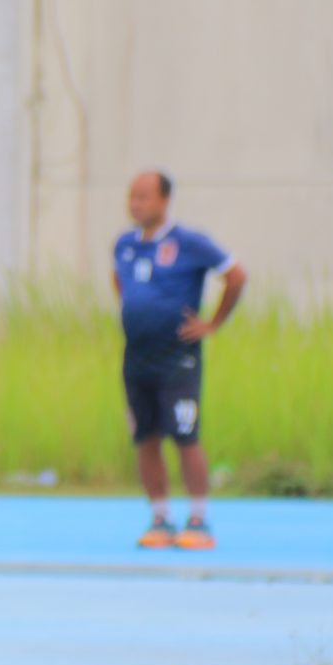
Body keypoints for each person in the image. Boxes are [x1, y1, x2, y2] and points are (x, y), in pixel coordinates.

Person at [114, 170, 246, 550]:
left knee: (185, 433)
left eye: (143, 197)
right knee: (145, 435)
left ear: (164, 200)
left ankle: (199, 518)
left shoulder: (189, 242)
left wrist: (213, 323)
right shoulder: (124, 244)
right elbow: (121, 283)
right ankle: (160, 517)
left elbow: (236, 275)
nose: (135, 204)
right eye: (132, 196)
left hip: (178, 357)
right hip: (137, 355)